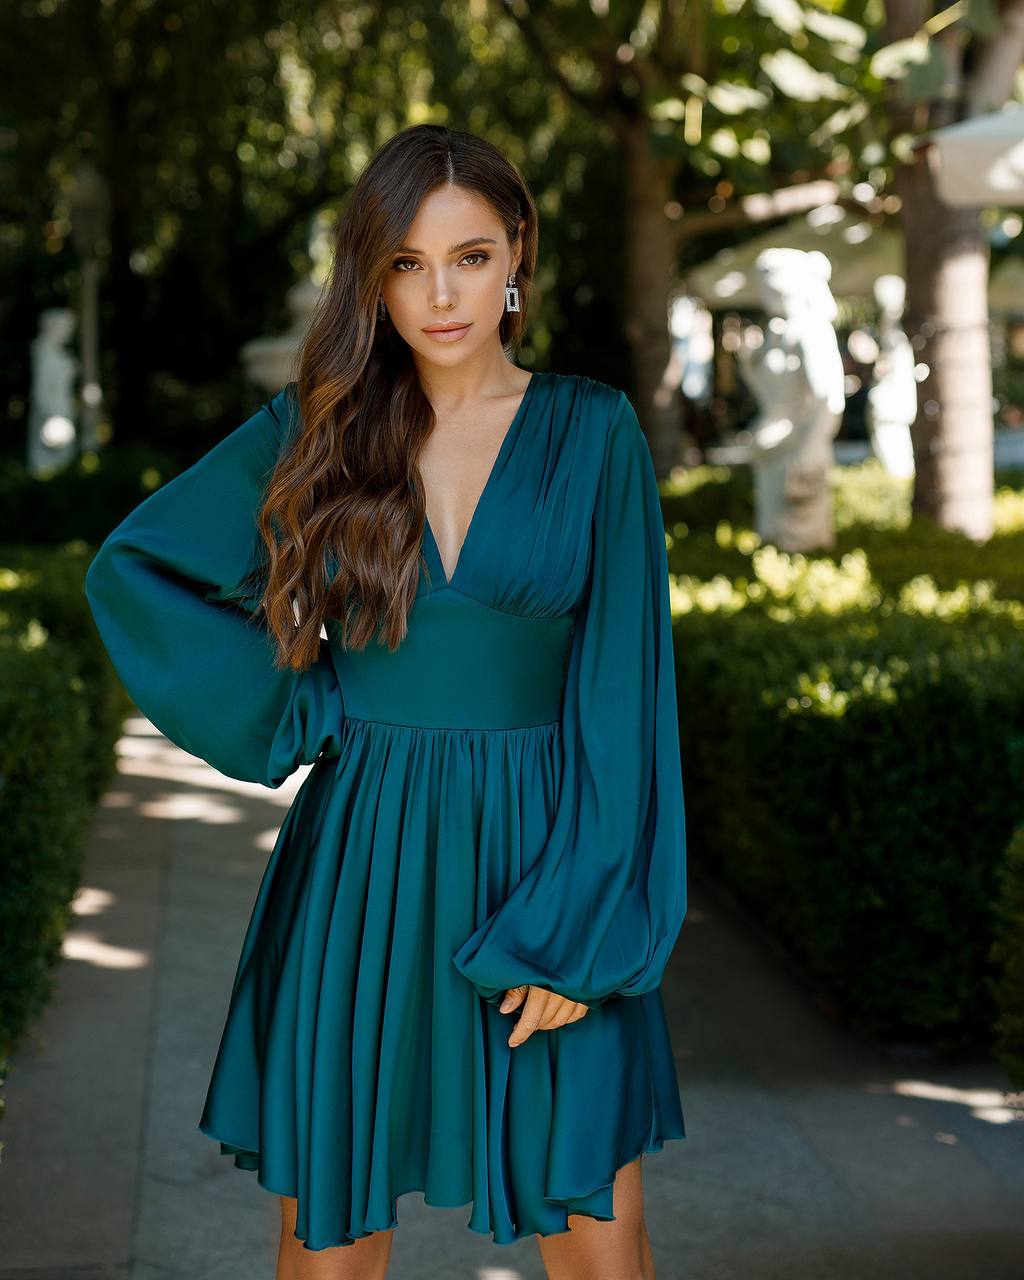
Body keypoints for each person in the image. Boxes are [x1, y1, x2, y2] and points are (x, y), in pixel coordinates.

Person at [84, 123, 688, 1280]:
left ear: (517, 252)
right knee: (331, 1249)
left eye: (468, 255)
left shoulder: (593, 431)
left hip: (549, 866)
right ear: (371, 275)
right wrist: (302, 709)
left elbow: (627, 699)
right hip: (362, 870)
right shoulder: (320, 430)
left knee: (604, 1247)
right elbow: (135, 568)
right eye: (405, 263)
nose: (440, 293)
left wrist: (581, 929)